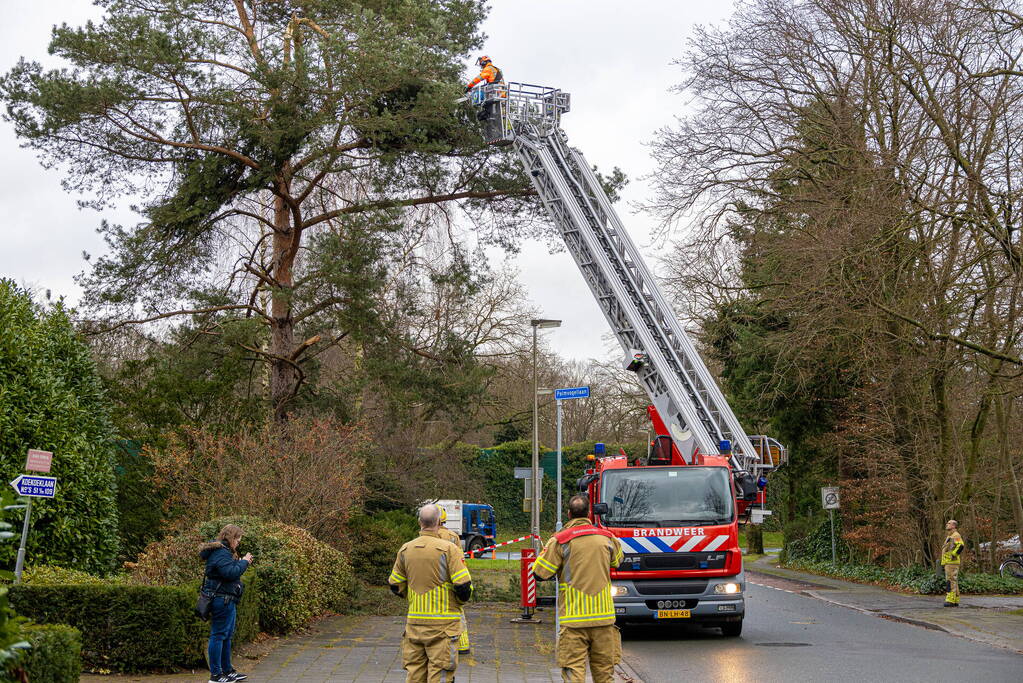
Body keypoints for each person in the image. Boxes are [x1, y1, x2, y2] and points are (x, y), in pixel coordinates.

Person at [533, 494, 624, 683]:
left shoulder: (560, 541)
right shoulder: (607, 538)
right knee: (605, 675)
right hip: (603, 619)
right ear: (589, 513)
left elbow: (540, 573)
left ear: (568, 514)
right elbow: (618, 560)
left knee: (573, 673)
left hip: (573, 621)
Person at [389, 504, 473, 682]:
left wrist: (412, 598)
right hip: (444, 625)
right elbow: (464, 587)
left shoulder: (405, 549)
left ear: (419, 522)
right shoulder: (449, 549)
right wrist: (458, 603)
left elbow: (395, 585)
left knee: (415, 673)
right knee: (440, 672)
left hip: (414, 624)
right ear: (439, 522)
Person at [200, 524, 253, 683]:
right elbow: (230, 573)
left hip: (226, 599)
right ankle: (216, 675)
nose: (238, 543)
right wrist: (244, 562)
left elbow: (227, 571)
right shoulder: (221, 552)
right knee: (218, 635)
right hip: (221, 599)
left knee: (226, 636)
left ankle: (227, 671)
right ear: (231, 538)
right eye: (238, 540)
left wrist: (240, 563)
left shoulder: (222, 552)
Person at [438, 507, 471, 656]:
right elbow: (460, 561)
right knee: (457, 613)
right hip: (451, 580)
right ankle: (462, 645)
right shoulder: (453, 536)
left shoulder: (424, 537)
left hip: (431, 582)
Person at [465, 55, 506, 123]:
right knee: (501, 116)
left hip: (496, 94)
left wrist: (469, 86)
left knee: (491, 113)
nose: (481, 66)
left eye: (481, 64)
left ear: (484, 62)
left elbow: (478, 78)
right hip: (501, 94)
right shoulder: (496, 69)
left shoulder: (488, 69)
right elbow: (493, 82)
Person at [941, 519, 965, 607]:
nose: (947, 524)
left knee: (950, 580)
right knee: (953, 580)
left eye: (949, 523)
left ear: (954, 526)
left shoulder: (956, 535)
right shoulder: (950, 536)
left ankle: (950, 600)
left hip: (951, 562)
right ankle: (955, 599)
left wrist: (953, 554)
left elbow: (961, 545)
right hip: (948, 562)